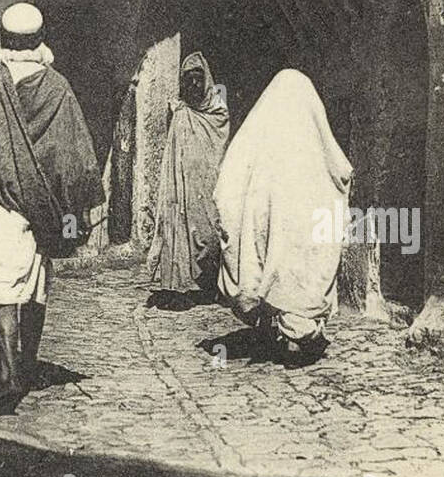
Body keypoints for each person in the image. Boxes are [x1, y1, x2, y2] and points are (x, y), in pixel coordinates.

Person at [0, 3, 103, 414]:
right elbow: (74, 158)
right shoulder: (58, 89)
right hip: (40, 209)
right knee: (32, 287)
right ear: (39, 40)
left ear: (4, 40)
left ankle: (10, 375)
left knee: (1, 293)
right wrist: (76, 209)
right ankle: (24, 367)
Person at [214, 68, 353, 366]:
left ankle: (281, 321)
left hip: (268, 236)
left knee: (269, 266)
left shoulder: (257, 143)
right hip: (304, 241)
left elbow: (228, 183)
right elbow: (340, 169)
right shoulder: (314, 147)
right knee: (302, 275)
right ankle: (300, 327)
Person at [147, 51, 229, 309]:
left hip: (206, 185)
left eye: (198, 78)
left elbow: (218, 141)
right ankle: (177, 288)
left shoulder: (217, 110)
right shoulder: (180, 111)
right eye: (188, 79)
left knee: (209, 234)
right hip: (179, 186)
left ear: (206, 80)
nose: (193, 84)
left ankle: (212, 285)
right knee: (177, 230)